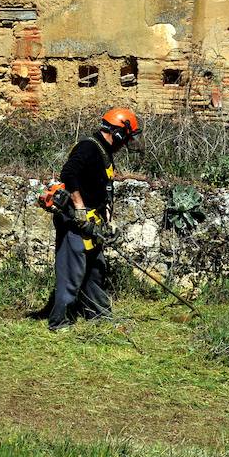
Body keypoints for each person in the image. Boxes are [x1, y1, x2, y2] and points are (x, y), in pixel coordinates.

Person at [45, 107, 142, 331]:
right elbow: (68, 174)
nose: (125, 144)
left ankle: (98, 315)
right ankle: (59, 322)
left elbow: (104, 189)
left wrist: (108, 219)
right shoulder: (89, 146)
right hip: (76, 219)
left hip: (93, 218)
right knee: (72, 271)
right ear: (118, 133)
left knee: (95, 269)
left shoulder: (105, 152)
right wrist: (78, 208)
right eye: (125, 138)